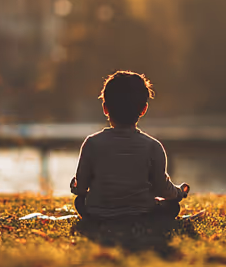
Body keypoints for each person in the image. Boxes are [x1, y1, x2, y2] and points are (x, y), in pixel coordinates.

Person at [70, 71, 189, 220]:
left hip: (99, 214)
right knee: (172, 206)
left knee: (79, 201)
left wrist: (74, 185)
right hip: (142, 214)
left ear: (105, 108)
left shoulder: (92, 143)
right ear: (143, 110)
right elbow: (163, 189)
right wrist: (179, 192)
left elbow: (80, 188)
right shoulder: (153, 146)